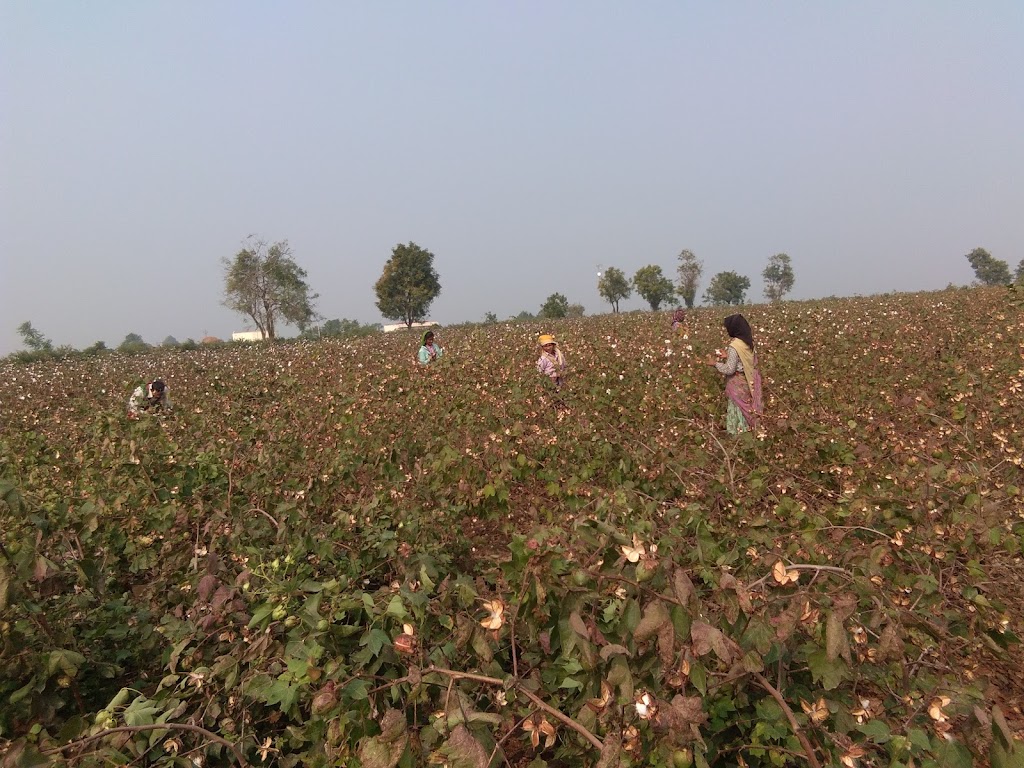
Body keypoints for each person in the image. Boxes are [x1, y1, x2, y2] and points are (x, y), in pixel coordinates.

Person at [706, 314, 762, 434]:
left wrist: (715, 364)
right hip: (747, 382)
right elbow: (744, 361)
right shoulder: (748, 342)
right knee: (748, 409)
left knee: (738, 410)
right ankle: (752, 434)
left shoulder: (734, 346)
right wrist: (728, 356)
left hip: (737, 386)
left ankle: (739, 437)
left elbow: (729, 369)